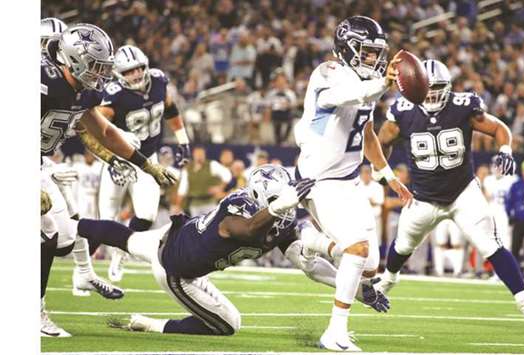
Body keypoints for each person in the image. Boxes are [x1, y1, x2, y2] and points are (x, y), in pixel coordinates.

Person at [76, 165, 388, 336]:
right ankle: (152, 324)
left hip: (175, 238)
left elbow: (307, 264)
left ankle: (71, 224)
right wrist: (281, 205)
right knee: (228, 326)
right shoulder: (239, 209)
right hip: (176, 268)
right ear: (262, 197)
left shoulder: (278, 216)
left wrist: (357, 290)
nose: (288, 207)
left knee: (127, 239)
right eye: (279, 200)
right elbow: (247, 229)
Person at [374, 59, 524, 330]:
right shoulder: (403, 111)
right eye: (425, 89)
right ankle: (389, 279)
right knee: (402, 246)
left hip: (462, 192)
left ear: (449, 87)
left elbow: (500, 128)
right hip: (422, 196)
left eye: (437, 88)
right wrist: (383, 171)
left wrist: (505, 150)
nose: (431, 95)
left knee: (492, 246)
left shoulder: (463, 106)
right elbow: (379, 141)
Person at [41, 23, 176, 337]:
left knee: (61, 242)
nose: (102, 75)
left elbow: (103, 131)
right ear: (74, 60)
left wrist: (146, 166)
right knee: (45, 235)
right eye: (97, 67)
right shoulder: (43, 80)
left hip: (38, 161)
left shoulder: (85, 90)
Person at [293, 16, 412, 351]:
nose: (375, 60)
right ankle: (335, 332)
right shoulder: (328, 73)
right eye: (369, 52)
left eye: (378, 53)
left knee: (371, 265)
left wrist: (388, 176)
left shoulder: (367, 82)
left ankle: (312, 241)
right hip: (318, 180)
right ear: (347, 48)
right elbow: (344, 98)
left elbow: (367, 132)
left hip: (348, 181)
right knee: (357, 250)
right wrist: (382, 85)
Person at [94, 45, 191, 283]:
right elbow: (95, 130)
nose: (136, 75)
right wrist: (111, 158)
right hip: (119, 161)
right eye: (128, 72)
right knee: (107, 218)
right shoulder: (113, 94)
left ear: (146, 66)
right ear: (119, 74)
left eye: (138, 69)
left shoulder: (159, 81)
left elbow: (171, 110)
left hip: (148, 161)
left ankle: (119, 254)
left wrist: (183, 142)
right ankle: (83, 269)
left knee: (146, 216)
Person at [265, 68, 298, 145]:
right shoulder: (271, 93)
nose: (281, 83)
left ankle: (284, 140)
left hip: (286, 114)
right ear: (275, 82)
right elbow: (267, 106)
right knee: (275, 124)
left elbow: (294, 105)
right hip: (275, 114)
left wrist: (288, 105)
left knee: (291, 120)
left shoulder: (290, 93)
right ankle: (277, 140)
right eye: (279, 81)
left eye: (282, 81)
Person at [358, 165, 385, 244]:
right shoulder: (357, 186)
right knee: (362, 242)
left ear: (371, 174)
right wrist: (369, 201)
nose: (365, 175)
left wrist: (369, 201)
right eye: (364, 173)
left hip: (375, 219)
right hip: (361, 219)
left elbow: (380, 201)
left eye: (367, 173)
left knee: (375, 242)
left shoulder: (378, 186)